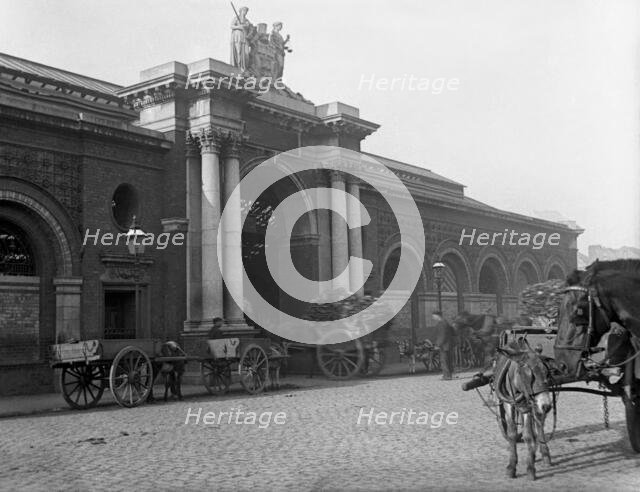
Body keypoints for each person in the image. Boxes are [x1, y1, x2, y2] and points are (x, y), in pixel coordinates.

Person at [433, 311, 455, 380]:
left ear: (437, 316)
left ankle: (447, 376)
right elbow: (452, 332)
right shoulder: (446, 322)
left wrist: (438, 345)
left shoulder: (441, 324)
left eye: (433, 316)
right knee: (448, 360)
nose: (433, 318)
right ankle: (449, 375)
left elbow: (442, 336)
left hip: (444, 345)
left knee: (444, 361)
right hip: (448, 344)